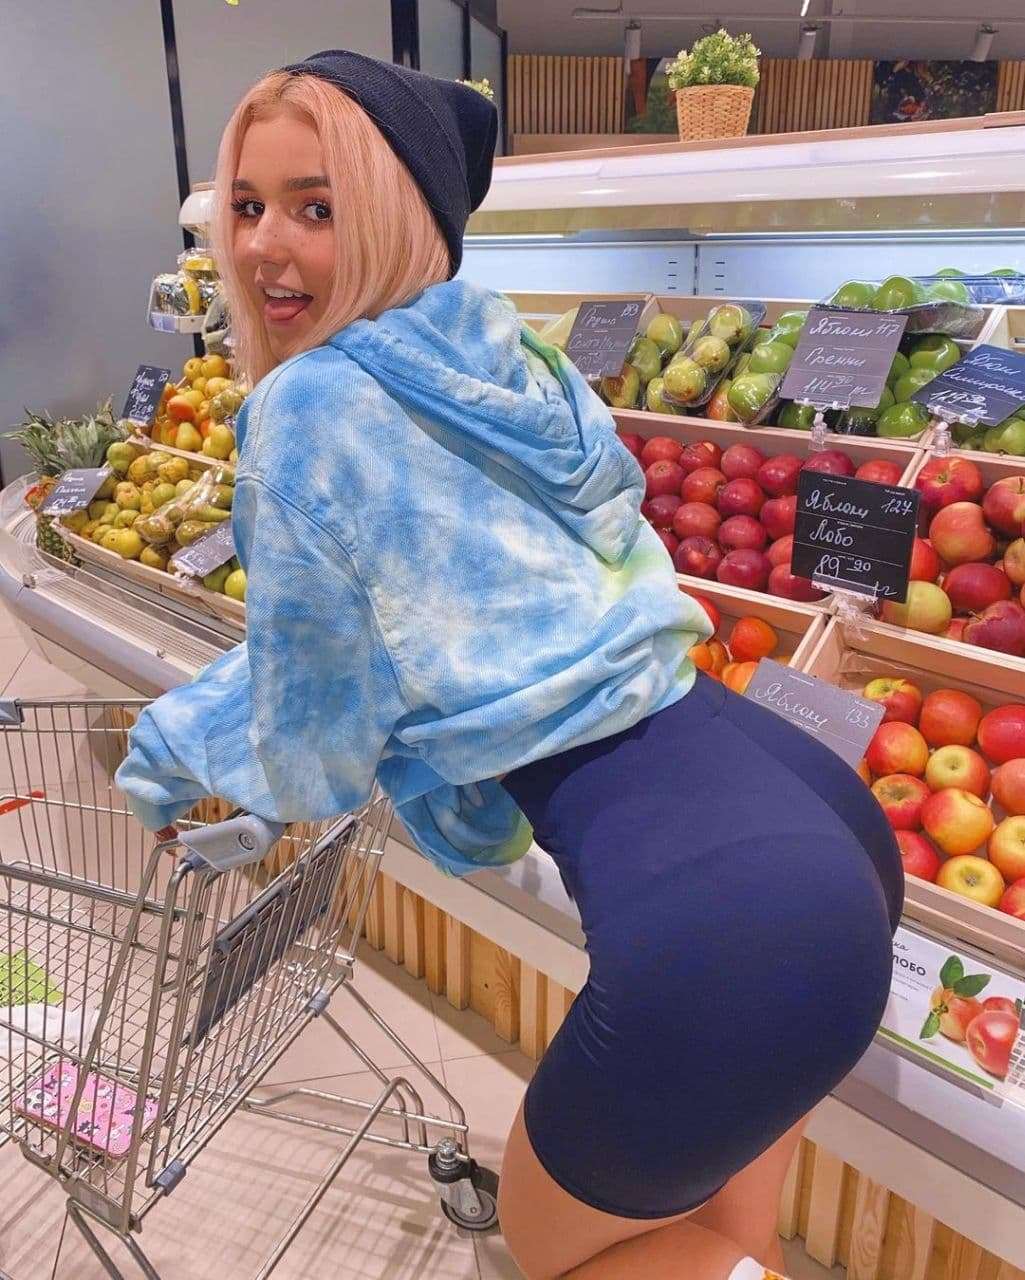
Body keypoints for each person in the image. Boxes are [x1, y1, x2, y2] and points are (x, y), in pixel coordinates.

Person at [116, 50, 902, 1280]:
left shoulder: (307, 406)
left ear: (398, 216)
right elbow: (474, 598)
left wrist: (180, 761)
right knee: (716, 1238)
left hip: (722, 922)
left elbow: (316, 710)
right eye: (249, 204)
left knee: (556, 1254)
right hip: (810, 818)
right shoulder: (503, 349)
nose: (264, 244)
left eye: (317, 207)